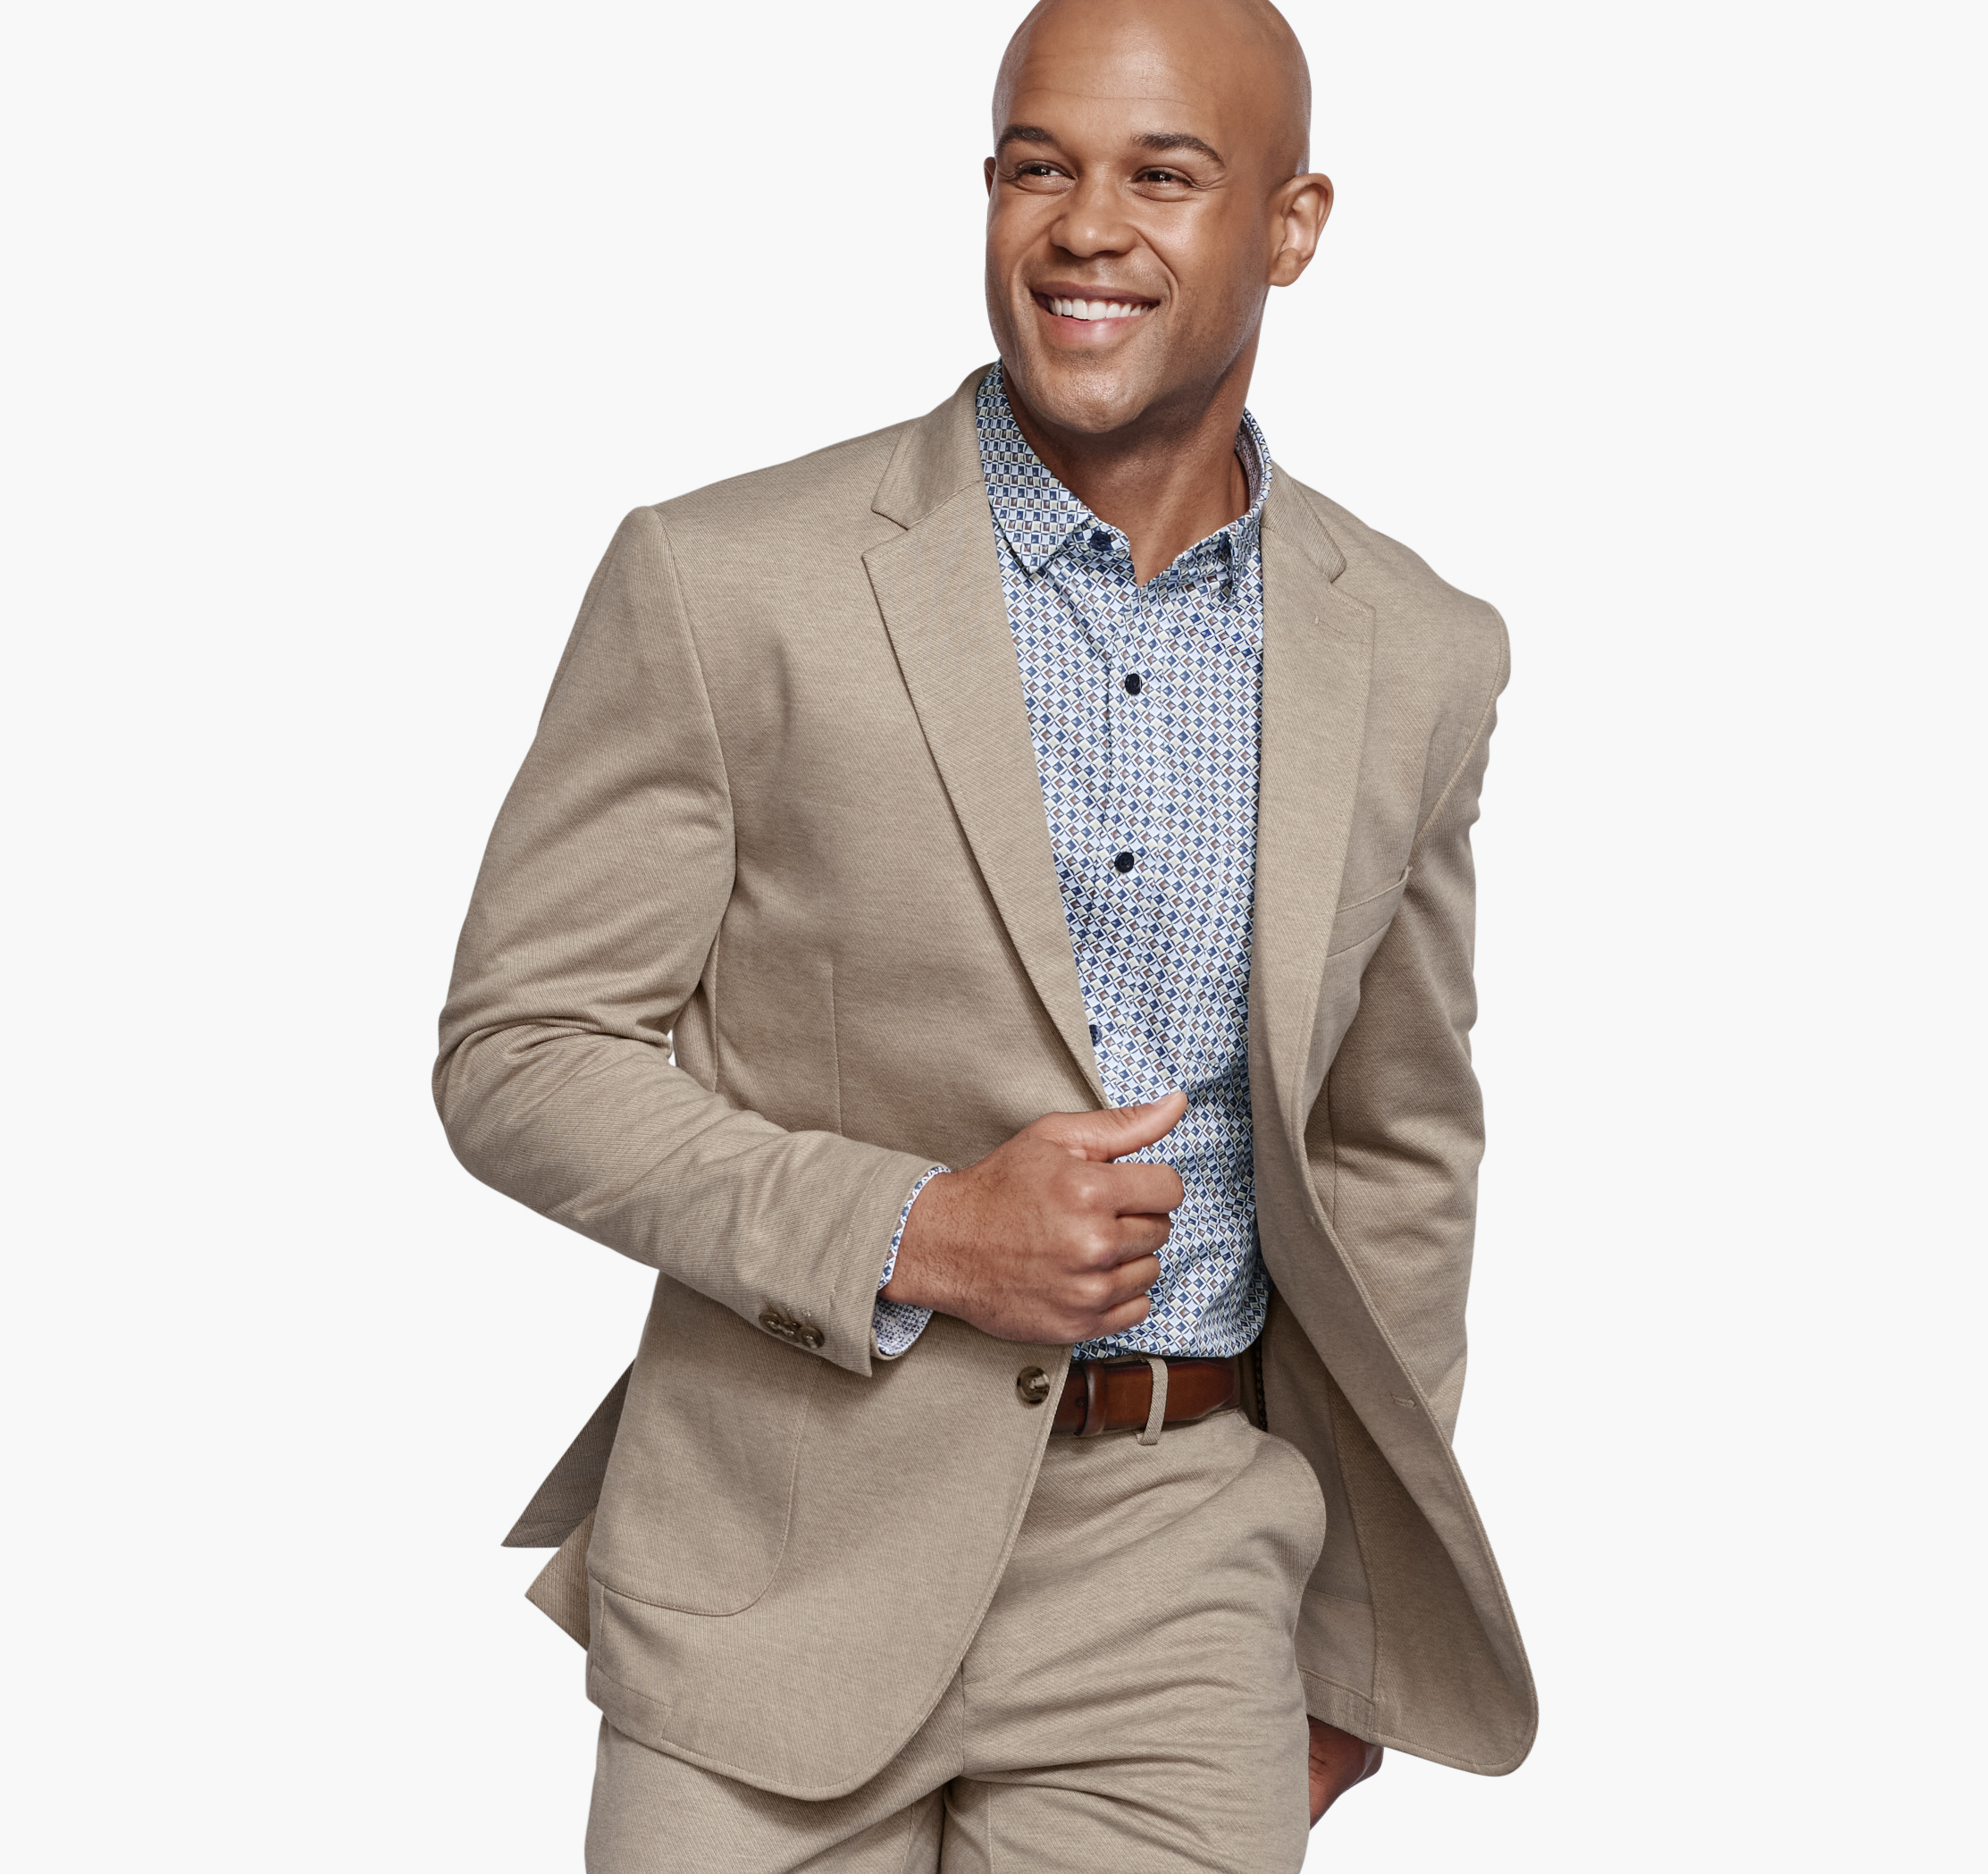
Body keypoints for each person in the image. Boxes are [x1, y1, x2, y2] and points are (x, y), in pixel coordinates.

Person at [435, 0, 1535, 1864]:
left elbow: (1391, 1149)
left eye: (1161, 176)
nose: (1085, 226)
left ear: (1291, 226)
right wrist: (917, 1229)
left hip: (1184, 1570)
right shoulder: (727, 579)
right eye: (1039, 167)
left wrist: (1351, 1628)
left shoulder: (1420, 651)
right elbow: (520, 1052)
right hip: (781, 1542)